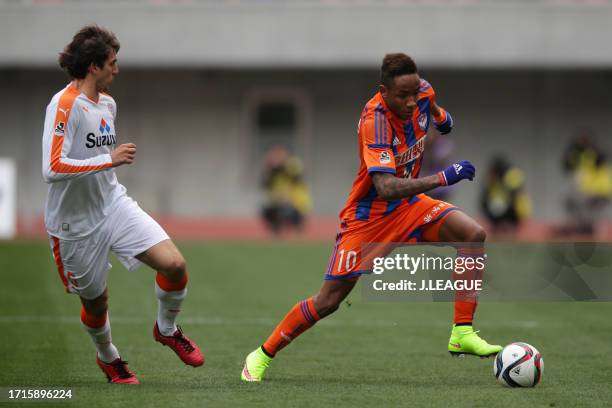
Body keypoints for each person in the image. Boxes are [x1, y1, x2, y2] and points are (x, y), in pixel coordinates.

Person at [241, 53, 502, 382]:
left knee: (473, 235)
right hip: (369, 217)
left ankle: (462, 333)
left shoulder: (423, 92)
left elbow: (440, 116)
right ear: (384, 91)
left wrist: (441, 118)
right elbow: (387, 186)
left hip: (409, 206)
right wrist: (443, 177)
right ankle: (262, 354)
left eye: (414, 94)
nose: (411, 102)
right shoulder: (374, 121)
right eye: (402, 96)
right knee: (329, 301)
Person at [42, 25, 203, 384]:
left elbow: (98, 159)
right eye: (112, 63)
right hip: (74, 225)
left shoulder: (108, 104)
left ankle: (166, 328)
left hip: (113, 204)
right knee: (96, 304)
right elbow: (52, 168)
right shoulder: (64, 105)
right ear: (93, 66)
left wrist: (107, 165)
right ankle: (108, 357)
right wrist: (108, 160)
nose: (117, 69)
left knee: (175, 265)